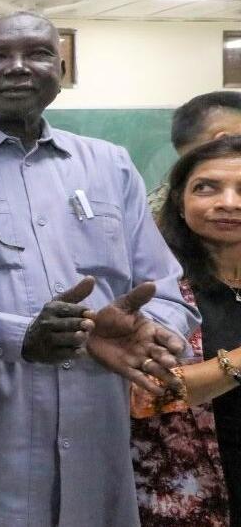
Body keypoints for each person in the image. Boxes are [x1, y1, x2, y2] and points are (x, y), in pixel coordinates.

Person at [0, 11, 199, 527]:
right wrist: (16, 336)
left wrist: (150, 332)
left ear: (59, 71)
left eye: (38, 54)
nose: (18, 67)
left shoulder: (111, 165)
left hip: (95, 446)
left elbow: (166, 290)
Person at [132, 136, 241, 526]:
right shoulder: (155, 288)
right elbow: (143, 396)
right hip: (187, 495)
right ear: (179, 200)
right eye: (206, 187)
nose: (228, 202)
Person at [149, 91, 241, 214]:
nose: (229, 204)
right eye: (204, 188)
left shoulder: (147, 209)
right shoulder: (156, 214)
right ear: (223, 140)